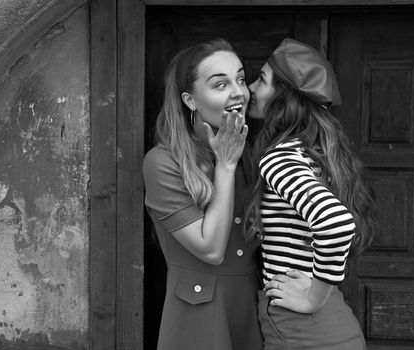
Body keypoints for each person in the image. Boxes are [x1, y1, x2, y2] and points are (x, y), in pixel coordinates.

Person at [244, 38, 375, 349]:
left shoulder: (280, 158)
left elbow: (336, 224)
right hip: (327, 327)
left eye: (261, 80)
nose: (250, 87)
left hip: (305, 332)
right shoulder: (314, 152)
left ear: (284, 96)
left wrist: (311, 299)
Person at [143, 39, 263, 350]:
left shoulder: (247, 151)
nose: (238, 91)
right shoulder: (163, 161)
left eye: (239, 79)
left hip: (251, 306)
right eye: (220, 84)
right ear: (190, 99)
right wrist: (224, 166)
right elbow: (210, 250)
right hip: (199, 311)